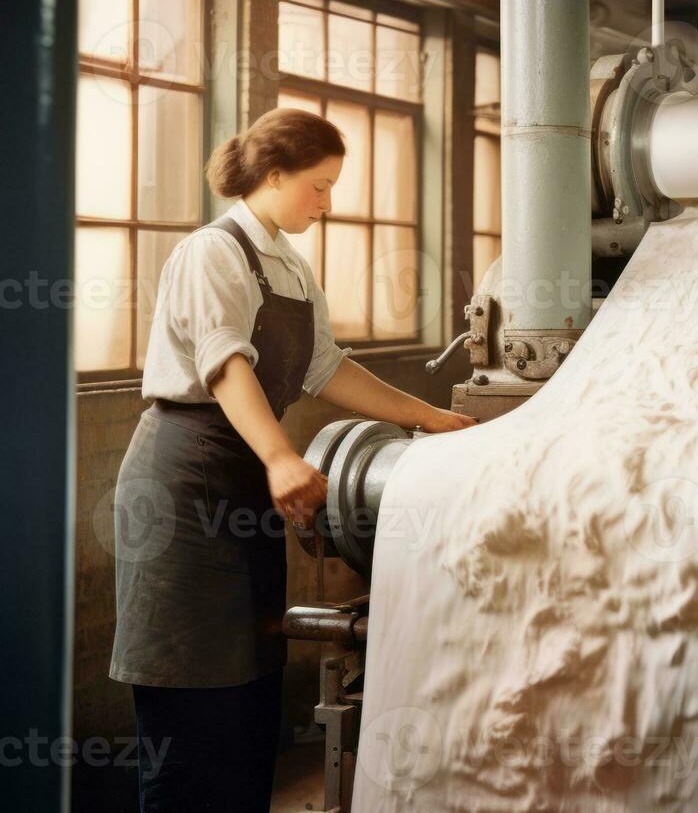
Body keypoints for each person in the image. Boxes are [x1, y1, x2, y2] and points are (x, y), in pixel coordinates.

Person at [108, 108, 475, 811]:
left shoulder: (290, 266)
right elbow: (223, 364)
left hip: (245, 474)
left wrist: (427, 416)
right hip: (185, 477)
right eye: (318, 186)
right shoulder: (213, 253)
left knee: (248, 690)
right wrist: (281, 458)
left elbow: (326, 368)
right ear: (273, 176)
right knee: (189, 694)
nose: (328, 203)